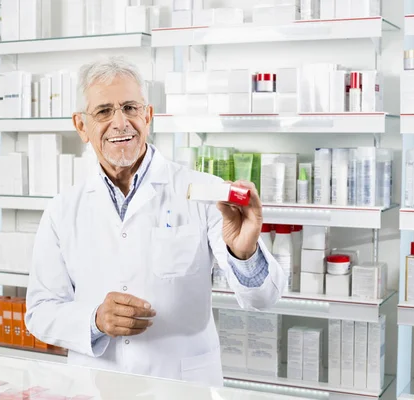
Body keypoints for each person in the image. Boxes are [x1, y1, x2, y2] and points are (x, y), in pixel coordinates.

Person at [25, 57, 285, 387]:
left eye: (130, 108)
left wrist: (244, 255)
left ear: (147, 116)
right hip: (97, 384)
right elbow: (40, 312)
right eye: (104, 111)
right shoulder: (63, 210)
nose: (120, 123)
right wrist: (94, 320)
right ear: (81, 126)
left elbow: (264, 299)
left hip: (180, 386)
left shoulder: (202, 192)